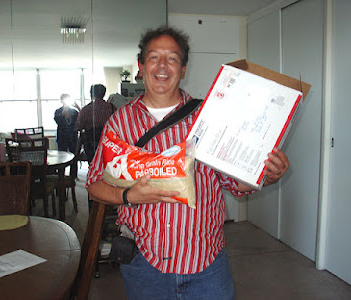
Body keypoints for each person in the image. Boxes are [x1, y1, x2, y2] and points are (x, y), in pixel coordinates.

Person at [86, 26, 290, 300]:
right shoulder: (120, 122)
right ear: (140, 65)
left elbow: (233, 181)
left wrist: (264, 174)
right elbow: (94, 184)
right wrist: (129, 195)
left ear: (182, 69)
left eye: (172, 58)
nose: (162, 66)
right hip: (144, 263)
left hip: (206, 262)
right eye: (154, 57)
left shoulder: (209, 117)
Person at [75, 84, 116, 162]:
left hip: (91, 146)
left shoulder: (86, 109)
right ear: (104, 94)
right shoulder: (111, 107)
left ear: (92, 94)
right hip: (108, 144)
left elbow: (78, 127)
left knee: (93, 165)